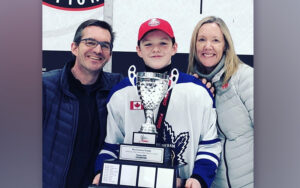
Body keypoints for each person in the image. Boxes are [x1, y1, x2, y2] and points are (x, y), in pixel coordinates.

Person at [92, 18, 221, 188]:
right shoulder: (121, 92)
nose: (156, 49)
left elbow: (209, 144)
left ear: (174, 48)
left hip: (180, 183)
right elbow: (112, 144)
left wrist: (199, 178)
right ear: (138, 50)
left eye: (163, 43)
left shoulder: (198, 90)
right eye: (148, 44)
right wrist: (103, 171)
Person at [42, 19, 123, 188]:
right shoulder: (44, 86)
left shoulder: (117, 89)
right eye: (90, 42)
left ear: (110, 54)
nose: (98, 50)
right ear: (74, 47)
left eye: (105, 45)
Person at [187, 16, 254, 188]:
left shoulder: (245, 78)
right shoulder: (190, 86)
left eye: (215, 40)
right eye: (201, 39)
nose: (207, 46)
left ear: (225, 46)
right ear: (194, 45)